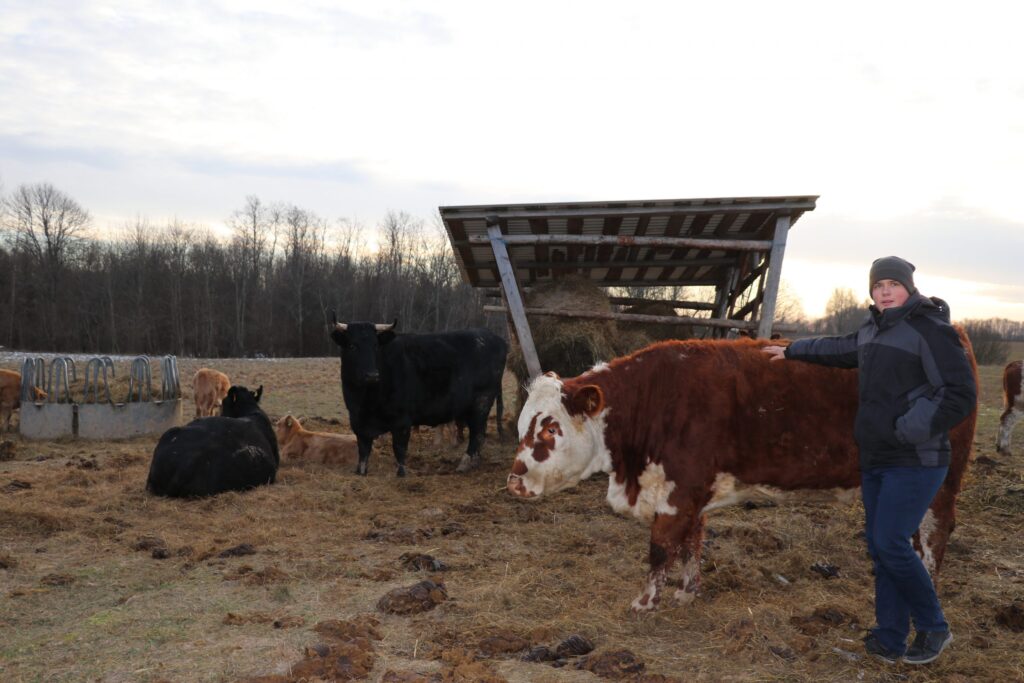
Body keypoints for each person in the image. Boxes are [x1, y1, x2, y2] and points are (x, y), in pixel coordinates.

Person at [762, 256, 977, 665]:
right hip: (877, 457)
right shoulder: (874, 328)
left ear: (909, 288)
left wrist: (911, 427)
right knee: (882, 550)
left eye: (893, 284)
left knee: (891, 543)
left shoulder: (929, 329)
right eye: (879, 285)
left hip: (916, 457)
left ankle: (934, 627)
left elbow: (959, 392)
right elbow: (840, 348)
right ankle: (889, 639)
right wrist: (793, 350)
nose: (885, 291)